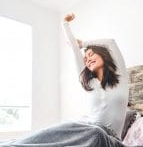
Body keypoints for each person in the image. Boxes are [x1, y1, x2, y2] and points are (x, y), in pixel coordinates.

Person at [0, 13, 129, 147]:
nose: (88, 59)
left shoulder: (121, 79)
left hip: (110, 140)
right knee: (62, 128)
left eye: (91, 54)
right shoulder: (90, 83)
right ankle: (11, 144)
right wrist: (65, 24)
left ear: (103, 55)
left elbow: (111, 42)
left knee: (96, 132)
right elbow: (74, 49)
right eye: (85, 59)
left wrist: (83, 44)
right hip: (86, 129)